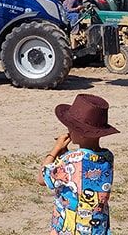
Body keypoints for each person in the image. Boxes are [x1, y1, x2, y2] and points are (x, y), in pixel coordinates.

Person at [42, 94, 116, 235]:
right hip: (97, 228)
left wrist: (56, 149)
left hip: (71, 229)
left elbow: (41, 178)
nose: (68, 131)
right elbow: (81, 170)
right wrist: (65, 154)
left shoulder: (70, 160)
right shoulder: (108, 157)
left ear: (81, 133)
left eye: (71, 127)